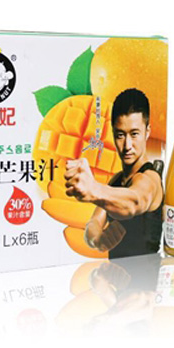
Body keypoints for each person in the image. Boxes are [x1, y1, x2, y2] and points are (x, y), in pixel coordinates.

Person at [64, 88, 164, 258]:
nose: (127, 146)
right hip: (114, 273)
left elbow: (135, 201)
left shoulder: (150, 178)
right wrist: (97, 239)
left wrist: (93, 189)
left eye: (134, 134)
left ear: (147, 132)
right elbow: (94, 222)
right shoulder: (117, 180)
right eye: (120, 135)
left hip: (147, 273)